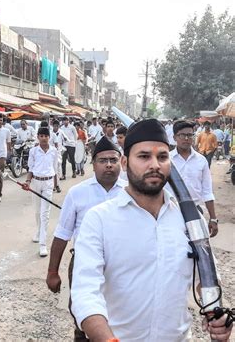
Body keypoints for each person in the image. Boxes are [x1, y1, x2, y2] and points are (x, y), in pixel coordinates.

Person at [71, 119, 232, 341]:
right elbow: (85, 293)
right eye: (144, 156)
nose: (155, 164)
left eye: (162, 157)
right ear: (125, 163)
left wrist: (217, 317)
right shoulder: (99, 219)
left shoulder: (191, 220)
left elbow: (205, 278)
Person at [47, 136, 125, 341]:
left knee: (119, 315)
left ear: (121, 163)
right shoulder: (77, 193)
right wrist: (52, 271)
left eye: (113, 160)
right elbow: (62, 234)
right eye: (102, 160)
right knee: (83, 316)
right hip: (84, 262)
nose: (108, 165)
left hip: (122, 264)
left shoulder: (131, 192)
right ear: (93, 164)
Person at [170, 120, 218, 237]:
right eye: (182, 135)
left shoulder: (201, 161)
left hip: (195, 211)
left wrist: (213, 218)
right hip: (171, 211)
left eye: (190, 135)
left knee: (199, 247)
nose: (186, 138)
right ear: (175, 137)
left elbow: (207, 191)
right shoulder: (166, 159)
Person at [22, 127, 59, 257]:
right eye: (41, 136)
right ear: (38, 137)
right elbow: (30, 168)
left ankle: (43, 245)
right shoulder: (33, 151)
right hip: (36, 182)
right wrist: (27, 181)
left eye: (46, 136)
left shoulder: (54, 151)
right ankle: (38, 232)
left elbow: (55, 168)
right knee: (37, 211)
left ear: (49, 137)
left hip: (48, 183)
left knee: (45, 214)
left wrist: (56, 184)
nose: (44, 138)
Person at [52, 120, 66, 193]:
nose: (56, 127)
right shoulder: (49, 134)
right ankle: (52, 186)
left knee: (57, 171)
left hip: (58, 154)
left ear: (58, 126)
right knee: (51, 171)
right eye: (54, 126)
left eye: (57, 126)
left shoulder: (61, 132)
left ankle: (57, 185)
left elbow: (66, 139)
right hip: (50, 155)